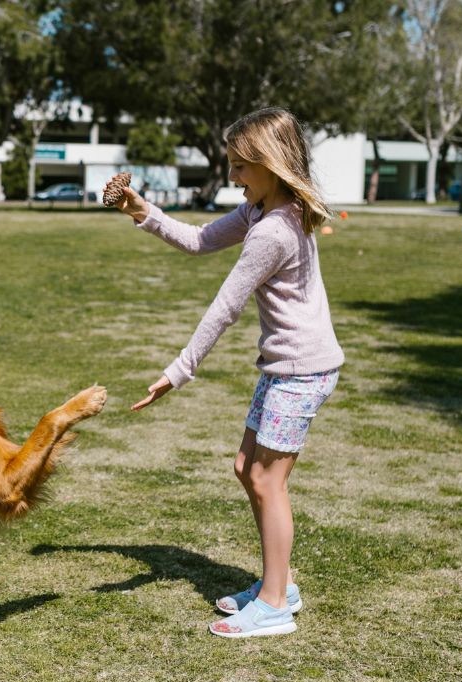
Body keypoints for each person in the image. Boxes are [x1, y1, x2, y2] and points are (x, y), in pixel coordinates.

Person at [110, 107, 344, 638]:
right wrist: (141, 210)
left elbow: (224, 307)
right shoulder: (262, 210)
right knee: (247, 468)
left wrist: (178, 371)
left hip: (302, 372)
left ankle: (276, 603)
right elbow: (197, 240)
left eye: (241, 167)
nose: (233, 177)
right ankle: (278, 582)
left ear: (271, 164)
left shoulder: (274, 230)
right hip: (285, 367)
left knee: (267, 479)